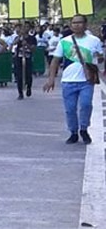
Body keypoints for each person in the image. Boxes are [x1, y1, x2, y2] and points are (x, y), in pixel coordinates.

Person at [43, 14, 104, 144]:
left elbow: (100, 58)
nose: (76, 25)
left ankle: (84, 129)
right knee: (70, 109)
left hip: (86, 80)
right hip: (68, 81)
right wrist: (51, 79)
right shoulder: (64, 42)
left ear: (85, 24)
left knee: (86, 105)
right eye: (74, 23)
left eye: (80, 22)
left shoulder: (94, 40)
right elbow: (55, 61)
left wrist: (96, 58)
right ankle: (73, 132)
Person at [11, 23, 38, 99]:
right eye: (23, 27)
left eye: (27, 27)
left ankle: (28, 87)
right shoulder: (19, 37)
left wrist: (27, 44)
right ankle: (20, 93)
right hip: (19, 58)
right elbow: (13, 43)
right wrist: (19, 37)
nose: (25, 29)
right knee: (19, 76)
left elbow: (33, 49)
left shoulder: (32, 38)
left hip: (28, 58)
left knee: (28, 75)